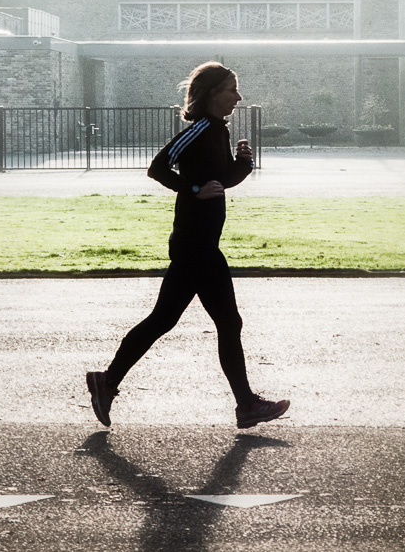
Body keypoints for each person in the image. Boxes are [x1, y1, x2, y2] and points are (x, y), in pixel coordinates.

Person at [86, 62, 290, 430]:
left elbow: (222, 179)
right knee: (227, 321)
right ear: (212, 93)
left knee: (163, 319)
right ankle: (246, 405)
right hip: (195, 244)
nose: (238, 97)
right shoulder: (199, 129)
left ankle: (107, 381)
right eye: (232, 89)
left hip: (199, 243)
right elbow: (158, 167)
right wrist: (193, 189)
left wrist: (243, 164)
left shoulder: (218, 132)